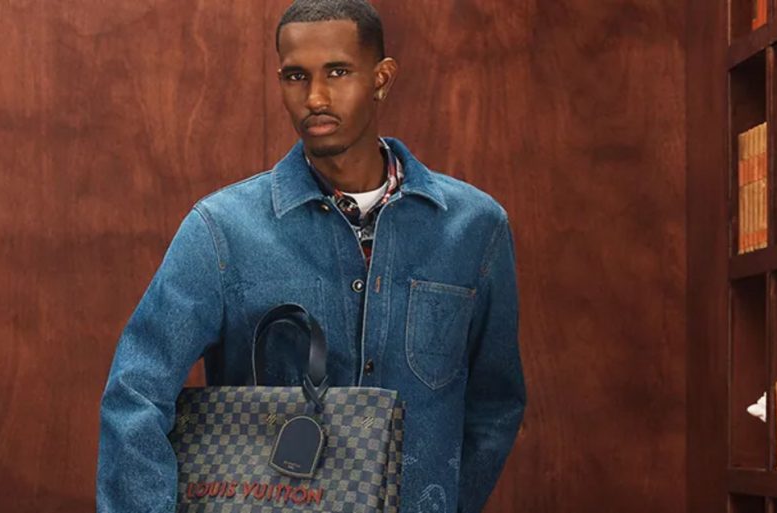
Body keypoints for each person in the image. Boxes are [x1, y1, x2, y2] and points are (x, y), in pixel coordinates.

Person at [96, 1, 526, 512]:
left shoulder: (474, 228)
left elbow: (495, 404)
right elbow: (135, 392)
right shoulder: (222, 230)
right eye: (296, 76)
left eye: (337, 72)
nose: (315, 97)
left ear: (382, 79)